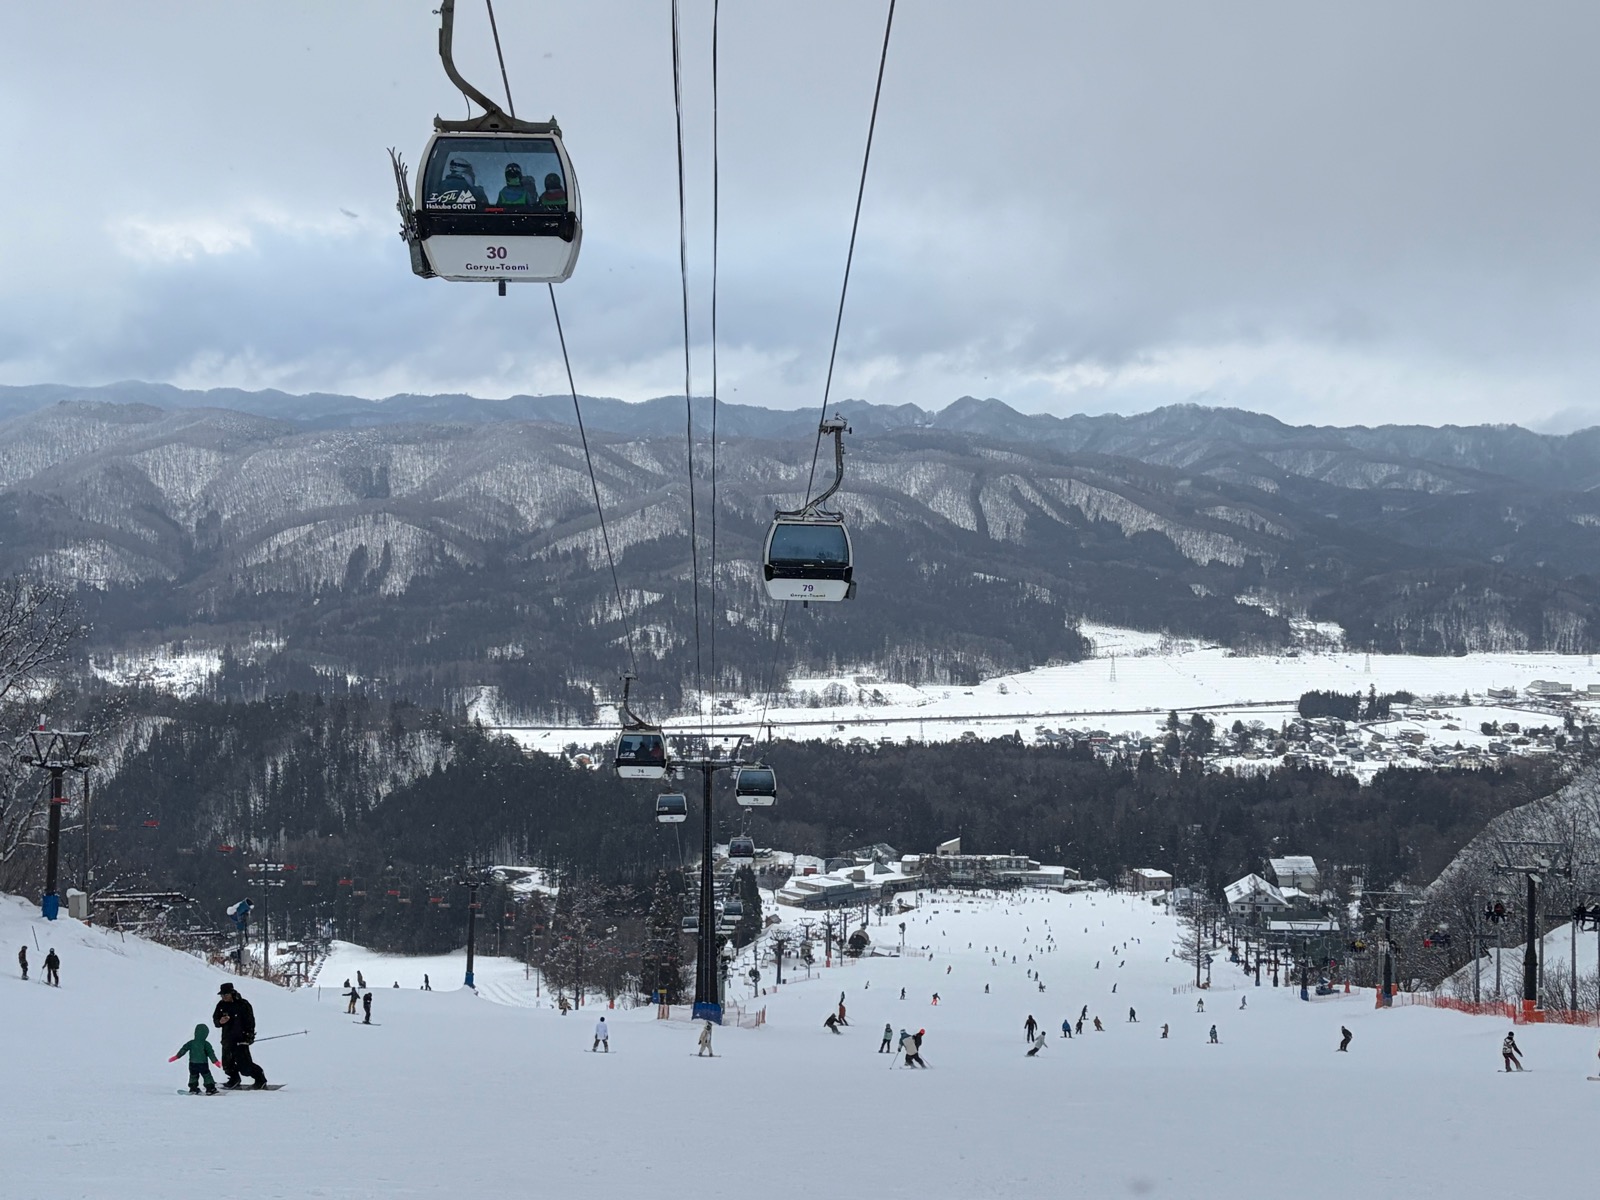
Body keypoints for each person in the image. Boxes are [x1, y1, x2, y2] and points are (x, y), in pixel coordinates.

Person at [213, 983, 267, 1089]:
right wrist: (220, 1021)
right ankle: (234, 1079)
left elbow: (250, 1021)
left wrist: (249, 1035)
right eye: (222, 995)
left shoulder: (243, 1005)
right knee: (227, 1064)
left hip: (241, 1039)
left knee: (245, 1066)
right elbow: (215, 1021)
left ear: (232, 993)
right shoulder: (221, 1005)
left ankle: (260, 1079)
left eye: (226, 994)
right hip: (227, 1039)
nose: (223, 997)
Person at [169, 1022, 222, 1095]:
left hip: (192, 1064)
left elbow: (183, 1049)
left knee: (193, 1076)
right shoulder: (206, 1044)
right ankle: (210, 1089)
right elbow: (211, 1053)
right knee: (207, 1076)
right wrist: (215, 1061)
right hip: (203, 1064)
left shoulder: (191, 1043)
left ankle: (193, 1088)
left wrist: (177, 1056)